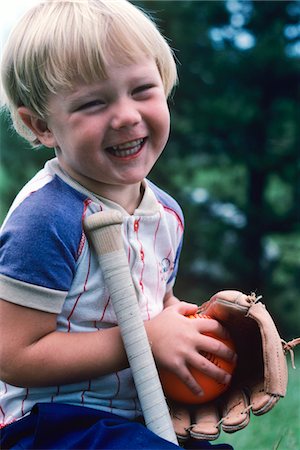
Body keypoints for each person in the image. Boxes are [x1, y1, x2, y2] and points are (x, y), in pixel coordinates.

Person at [0, 1, 235, 448]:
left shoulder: (166, 214)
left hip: (141, 413)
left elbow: (155, 301)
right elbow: (12, 355)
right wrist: (144, 339)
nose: (126, 115)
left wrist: (191, 329)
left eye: (143, 90)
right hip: (49, 426)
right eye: (93, 102)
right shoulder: (48, 217)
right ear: (41, 125)